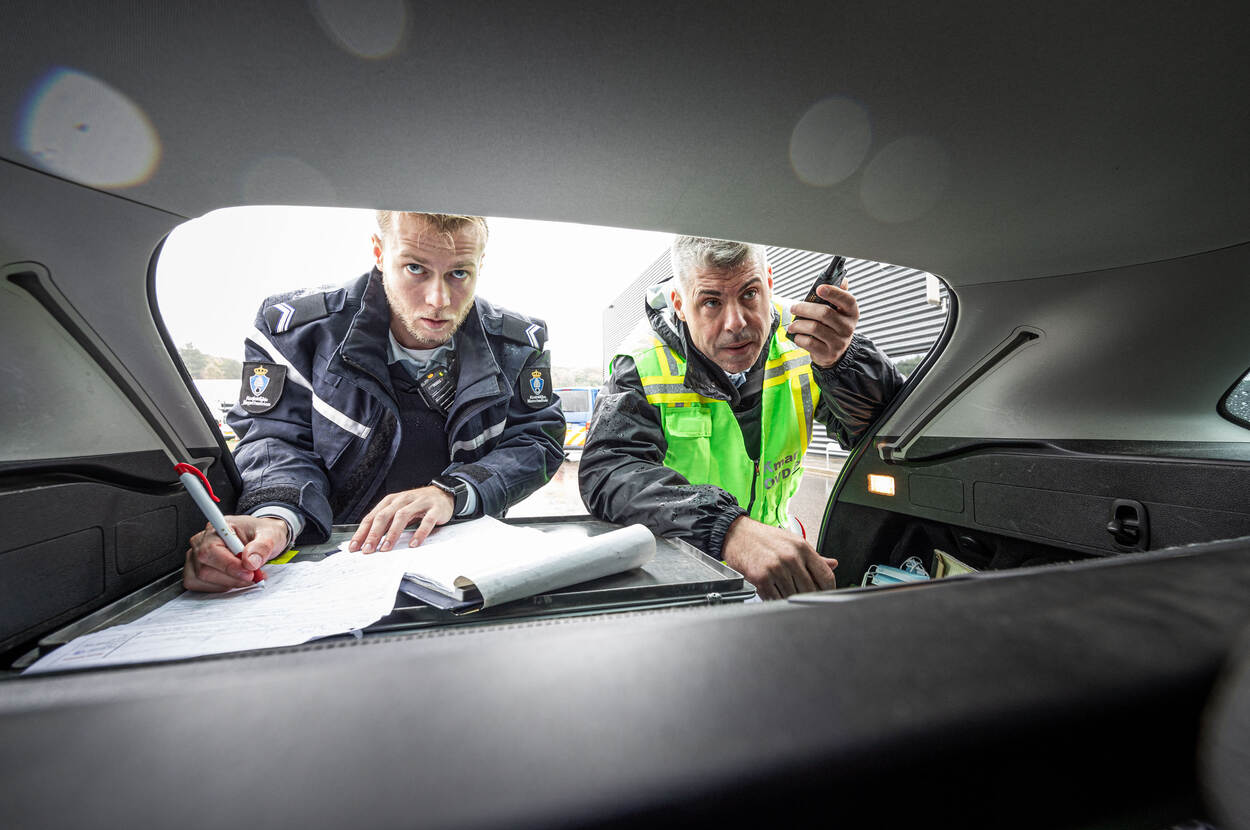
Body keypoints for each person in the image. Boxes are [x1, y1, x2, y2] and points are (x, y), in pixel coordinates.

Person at [183, 211, 565, 591]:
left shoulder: (518, 345)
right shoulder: (296, 333)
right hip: (331, 561)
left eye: (459, 273)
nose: (439, 299)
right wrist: (277, 517)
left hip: (466, 567)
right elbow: (275, 438)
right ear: (379, 253)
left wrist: (454, 492)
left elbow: (536, 442)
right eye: (416, 268)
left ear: (481, 263)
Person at [579, 236, 903, 599]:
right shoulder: (640, 364)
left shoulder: (805, 343)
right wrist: (726, 529)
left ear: (769, 281)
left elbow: (883, 432)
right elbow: (607, 472)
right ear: (680, 304)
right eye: (711, 302)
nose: (736, 322)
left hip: (778, 568)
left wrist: (842, 362)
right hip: (687, 576)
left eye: (749, 294)